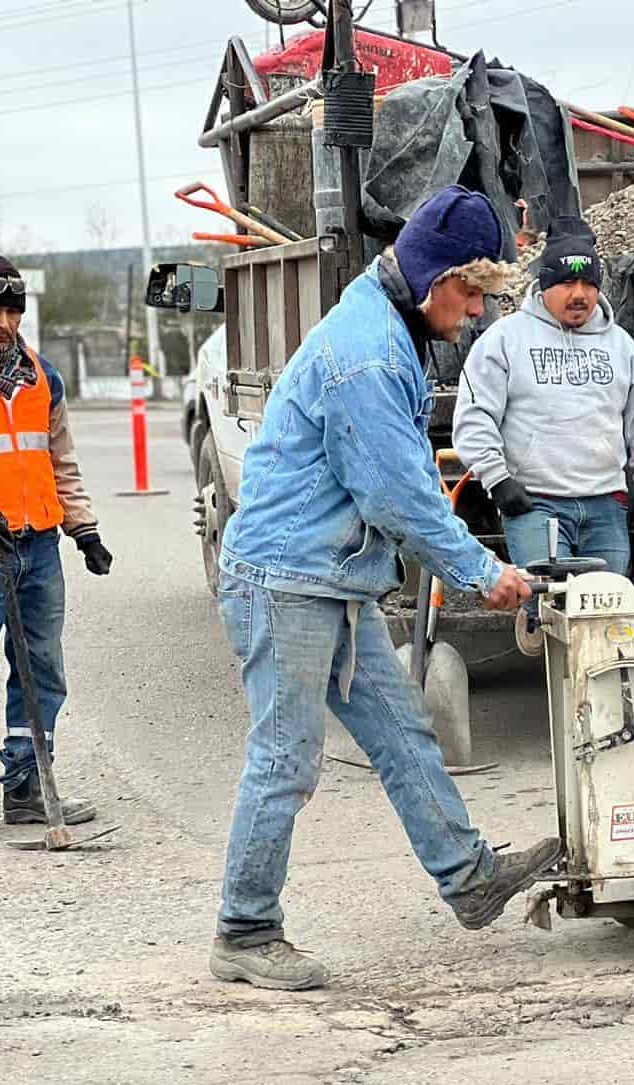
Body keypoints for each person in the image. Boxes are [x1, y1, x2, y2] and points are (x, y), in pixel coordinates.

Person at [212, 185, 561, 992]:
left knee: (404, 734)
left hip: (329, 578)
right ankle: (245, 928)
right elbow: (396, 497)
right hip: (288, 581)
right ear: (437, 278)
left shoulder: (389, 328)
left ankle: (469, 879)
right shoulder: (368, 353)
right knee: (285, 759)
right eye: (472, 293)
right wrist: (483, 571)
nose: (475, 312)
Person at [452, 219, 634, 656]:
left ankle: (600, 717)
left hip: (605, 503)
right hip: (535, 503)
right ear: (543, 284)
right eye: (566, 282)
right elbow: (474, 419)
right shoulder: (505, 341)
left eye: (588, 283)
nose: (579, 294)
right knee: (553, 615)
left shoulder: (622, 347)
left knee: (605, 624)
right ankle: (557, 692)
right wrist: (498, 480)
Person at [0, 252, 111, 824]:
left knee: (41, 670)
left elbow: (60, 463)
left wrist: (82, 529)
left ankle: (26, 785)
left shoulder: (43, 379)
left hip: (38, 548)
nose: (2, 323)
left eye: (12, 311)